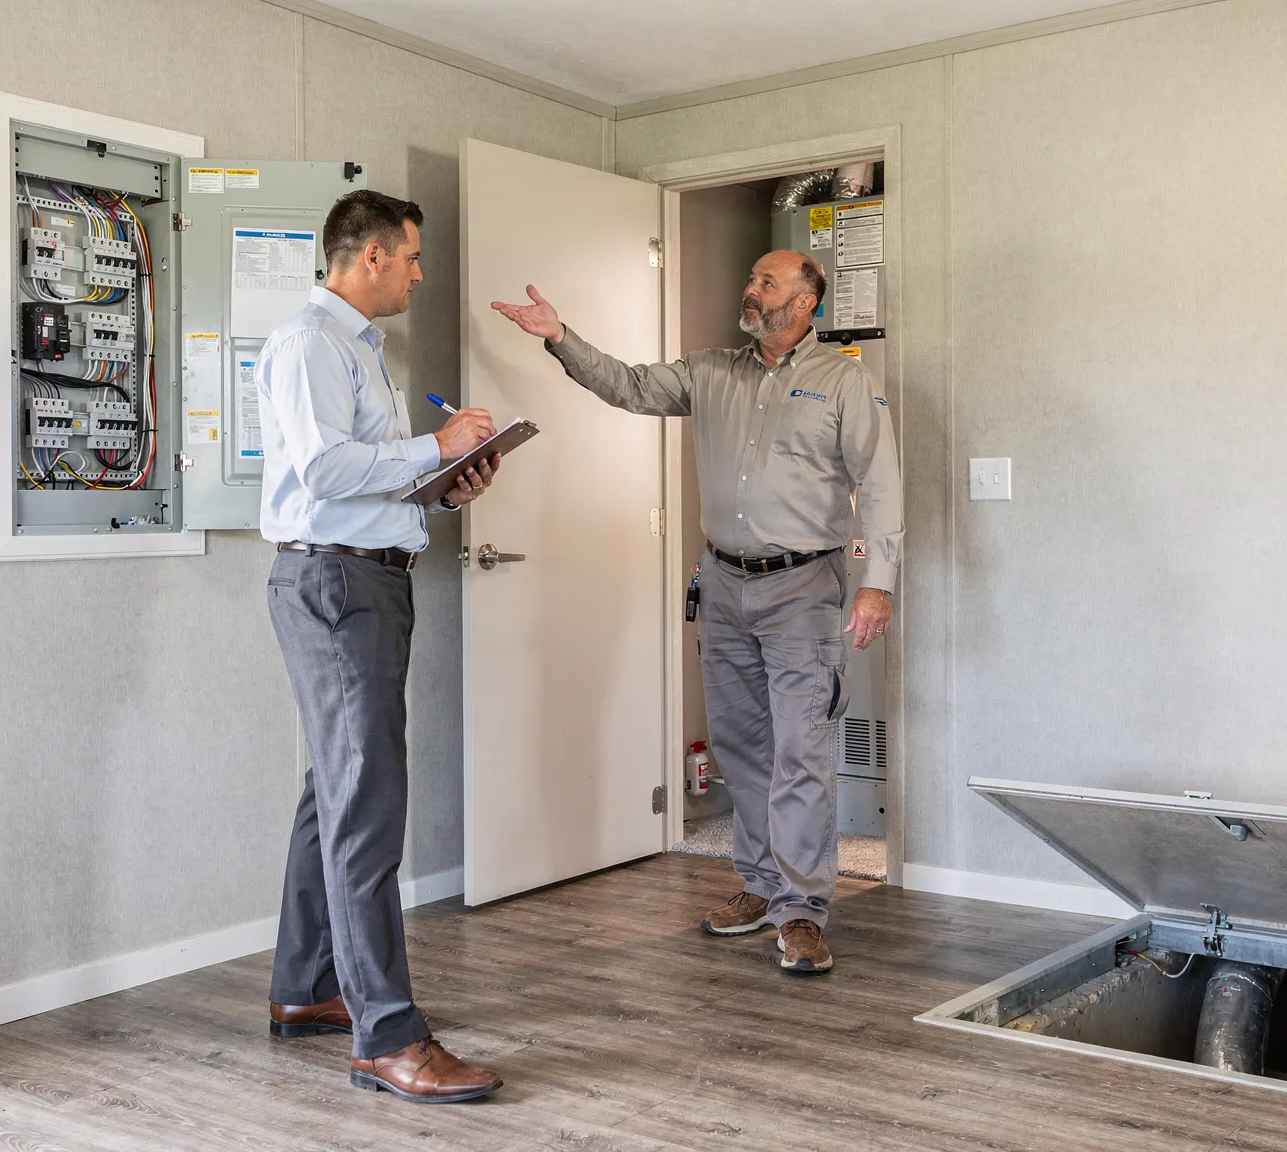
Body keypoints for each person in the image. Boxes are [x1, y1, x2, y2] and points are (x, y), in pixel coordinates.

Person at [491, 250, 903, 975]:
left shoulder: (843, 380)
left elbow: (881, 483)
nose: (750, 289)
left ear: (806, 304)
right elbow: (629, 386)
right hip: (723, 582)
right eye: (750, 278)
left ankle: (803, 910)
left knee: (799, 753)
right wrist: (561, 338)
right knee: (742, 748)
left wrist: (880, 583)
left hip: (805, 587)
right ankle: (761, 883)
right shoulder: (710, 369)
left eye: (767, 282)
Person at [258, 189, 505, 1102]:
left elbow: (353, 480)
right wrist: (428, 445)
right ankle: (388, 1036)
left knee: (336, 792)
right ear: (367, 258)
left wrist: (442, 483)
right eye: (409, 257)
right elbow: (320, 469)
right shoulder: (309, 345)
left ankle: (308, 988)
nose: (418, 272)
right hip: (334, 585)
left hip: (365, 577)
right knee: (367, 803)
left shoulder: (359, 352)